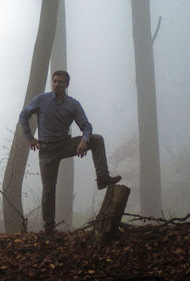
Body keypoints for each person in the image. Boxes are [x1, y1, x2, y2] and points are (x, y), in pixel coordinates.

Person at [19, 70, 121, 235]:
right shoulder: (42, 100)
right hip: (47, 149)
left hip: (66, 144)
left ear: (67, 84)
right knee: (49, 189)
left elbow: (86, 126)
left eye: (60, 82)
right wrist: (30, 138)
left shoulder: (73, 104)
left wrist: (83, 140)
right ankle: (49, 228)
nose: (56, 84)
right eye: (54, 81)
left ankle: (102, 178)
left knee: (97, 139)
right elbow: (23, 115)